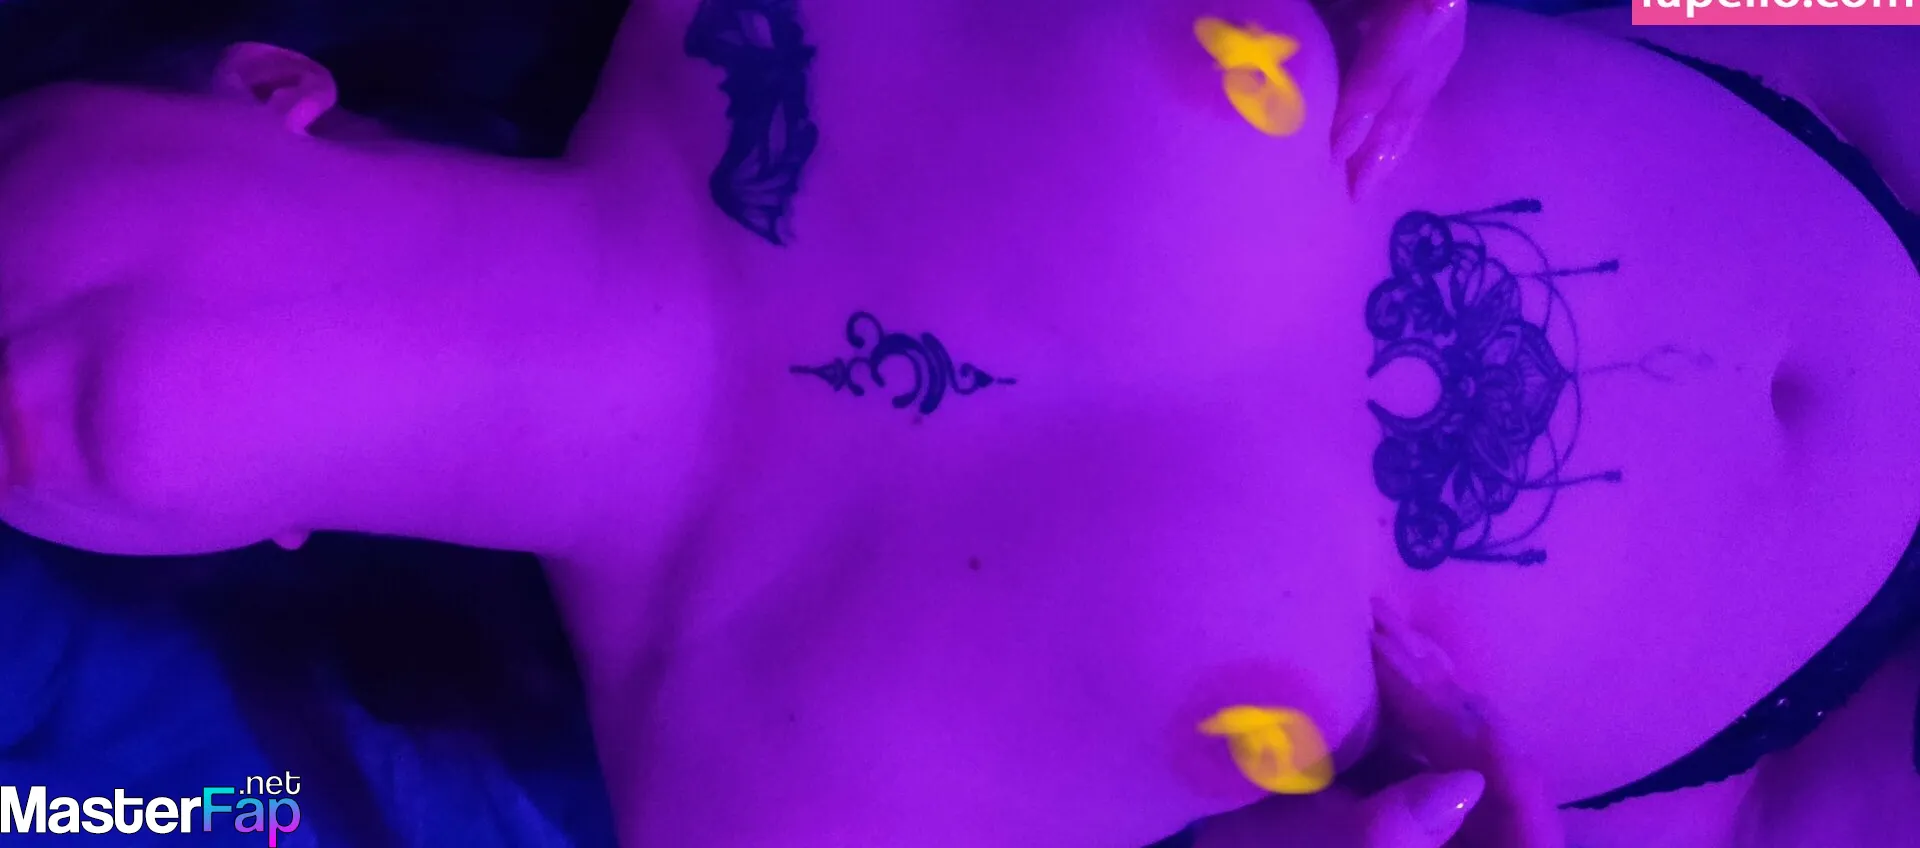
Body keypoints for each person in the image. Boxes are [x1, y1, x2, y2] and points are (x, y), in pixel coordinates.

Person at [0, 0, 1914, 845]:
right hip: (1793, 767)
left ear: (269, 82)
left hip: (1816, 55)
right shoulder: (759, 814)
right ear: (223, 546)